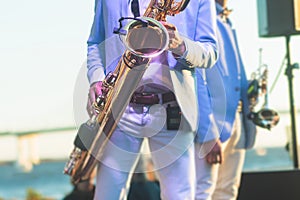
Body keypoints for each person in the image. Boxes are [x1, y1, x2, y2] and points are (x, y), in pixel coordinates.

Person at [85, 0, 218, 199]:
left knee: (179, 196)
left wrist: (180, 45)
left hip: (172, 107)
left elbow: (211, 52)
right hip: (119, 105)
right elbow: (95, 43)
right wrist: (96, 79)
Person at [194, 0, 257, 199]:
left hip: (237, 119)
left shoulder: (226, 18)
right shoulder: (200, 14)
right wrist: (209, 131)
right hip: (212, 123)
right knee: (203, 191)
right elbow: (196, 77)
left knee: (228, 191)